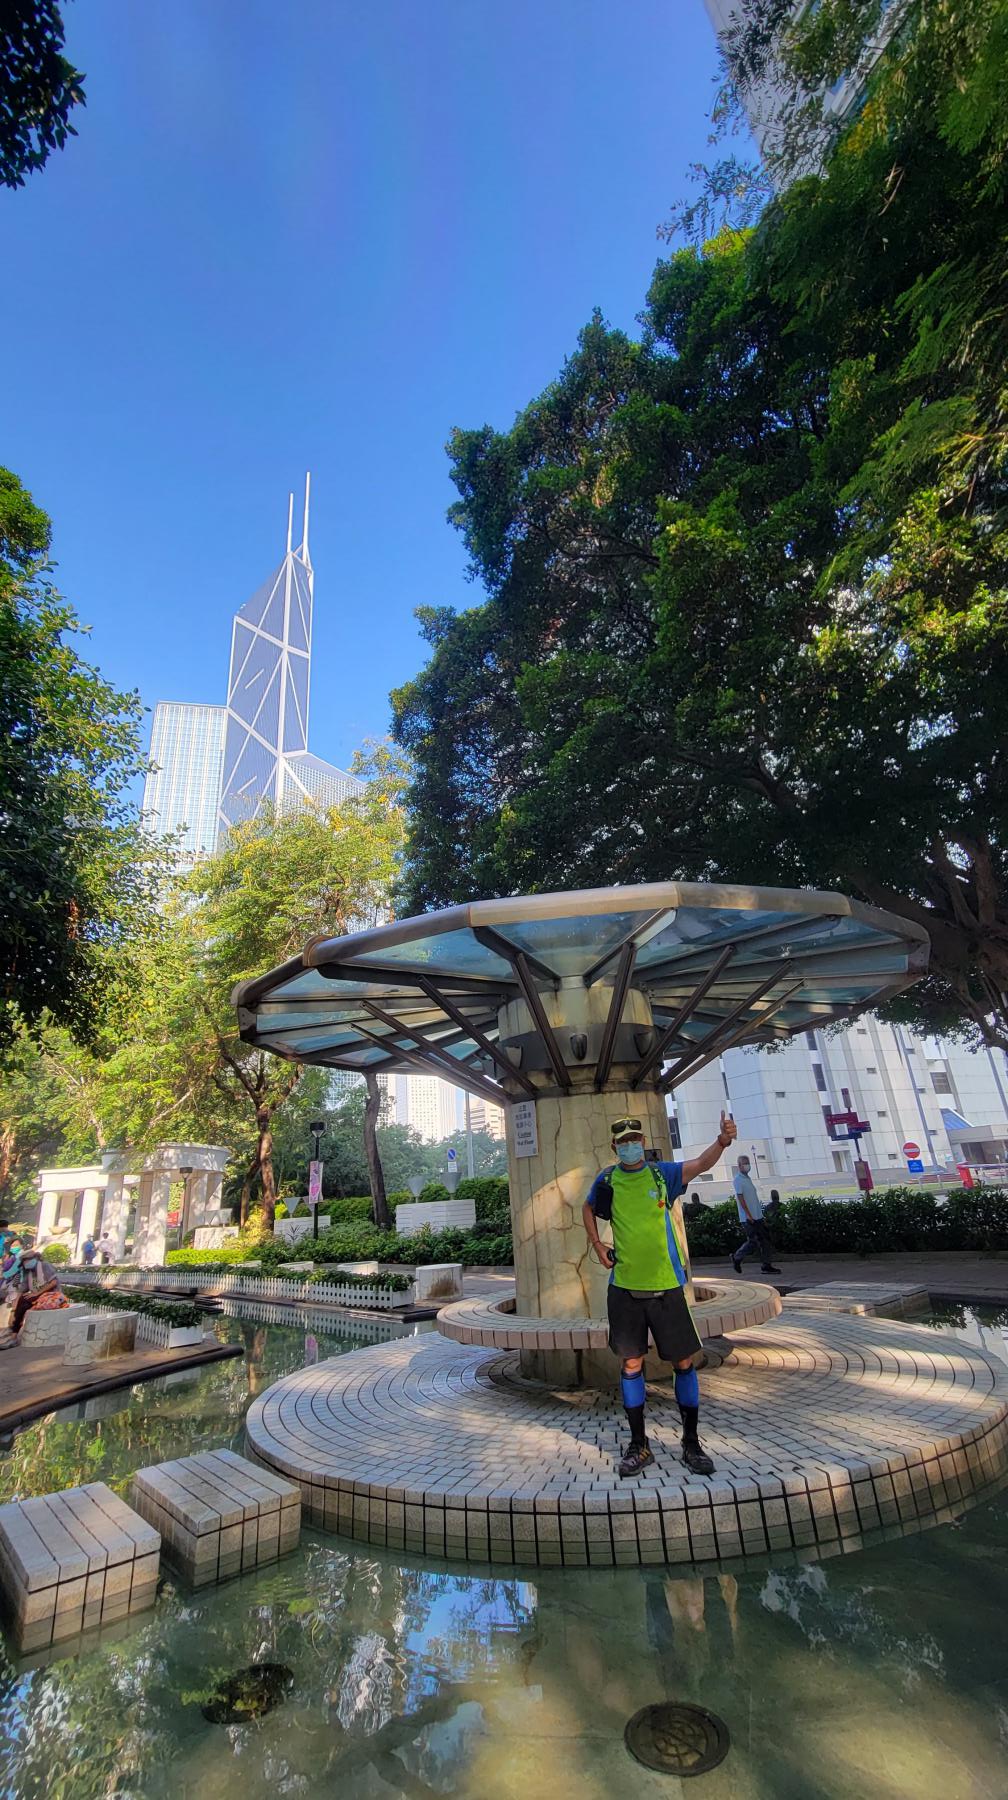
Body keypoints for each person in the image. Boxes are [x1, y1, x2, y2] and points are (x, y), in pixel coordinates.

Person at [582, 1109, 738, 1479]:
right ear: (614, 1147)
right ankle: (639, 1445)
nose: (630, 1146)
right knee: (631, 1365)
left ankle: (691, 1443)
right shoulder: (607, 1180)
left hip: (667, 1286)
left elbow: (700, 1164)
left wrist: (722, 1142)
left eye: (635, 1140)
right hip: (624, 1288)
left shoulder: (661, 1174)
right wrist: (598, 1246)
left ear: (644, 1142)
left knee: (683, 1362)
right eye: (623, 1142)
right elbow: (588, 1207)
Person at [0, 1248, 68, 1347]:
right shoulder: (28, 1272)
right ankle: (13, 1333)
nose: (26, 1263)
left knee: (25, 1300)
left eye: (27, 1261)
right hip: (37, 1296)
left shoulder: (44, 1266)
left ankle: (13, 1334)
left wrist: (37, 1293)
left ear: (33, 1259)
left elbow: (53, 1282)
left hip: (51, 1295)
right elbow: (21, 1290)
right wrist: (14, 1310)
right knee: (23, 1300)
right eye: (24, 1262)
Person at [731, 1156, 781, 1276]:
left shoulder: (747, 1179)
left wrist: (760, 1215)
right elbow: (741, 1199)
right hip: (748, 1218)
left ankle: (766, 1265)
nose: (747, 1165)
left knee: (765, 1240)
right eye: (744, 1163)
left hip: (757, 1217)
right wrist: (748, 1215)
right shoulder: (738, 1180)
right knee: (753, 1241)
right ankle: (737, 1257)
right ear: (739, 1166)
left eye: (747, 1163)